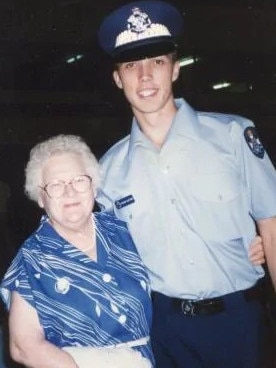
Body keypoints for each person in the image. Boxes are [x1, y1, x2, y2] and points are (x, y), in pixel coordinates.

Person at [97, 1, 276, 367]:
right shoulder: (108, 170)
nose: (145, 76)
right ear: (118, 79)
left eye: (157, 62)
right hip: (162, 330)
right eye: (132, 65)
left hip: (237, 322)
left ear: (176, 69)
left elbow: (272, 228)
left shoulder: (232, 135)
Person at [0, 134, 154, 368]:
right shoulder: (31, 261)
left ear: (93, 186)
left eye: (79, 180)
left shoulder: (123, 232)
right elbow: (23, 346)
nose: (69, 192)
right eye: (55, 185)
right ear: (41, 197)